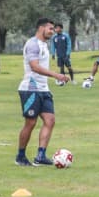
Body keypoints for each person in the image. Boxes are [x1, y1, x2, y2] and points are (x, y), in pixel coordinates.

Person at [16, 17, 70, 166]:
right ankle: (20, 156)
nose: (53, 32)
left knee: (50, 120)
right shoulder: (32, 44)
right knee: (31, 123)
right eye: (50, 29)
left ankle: (41, 155)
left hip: (44, 89)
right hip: (30, 89)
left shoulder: (44, 45)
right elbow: (34, 66)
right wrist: (56, 75)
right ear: (41, 28)